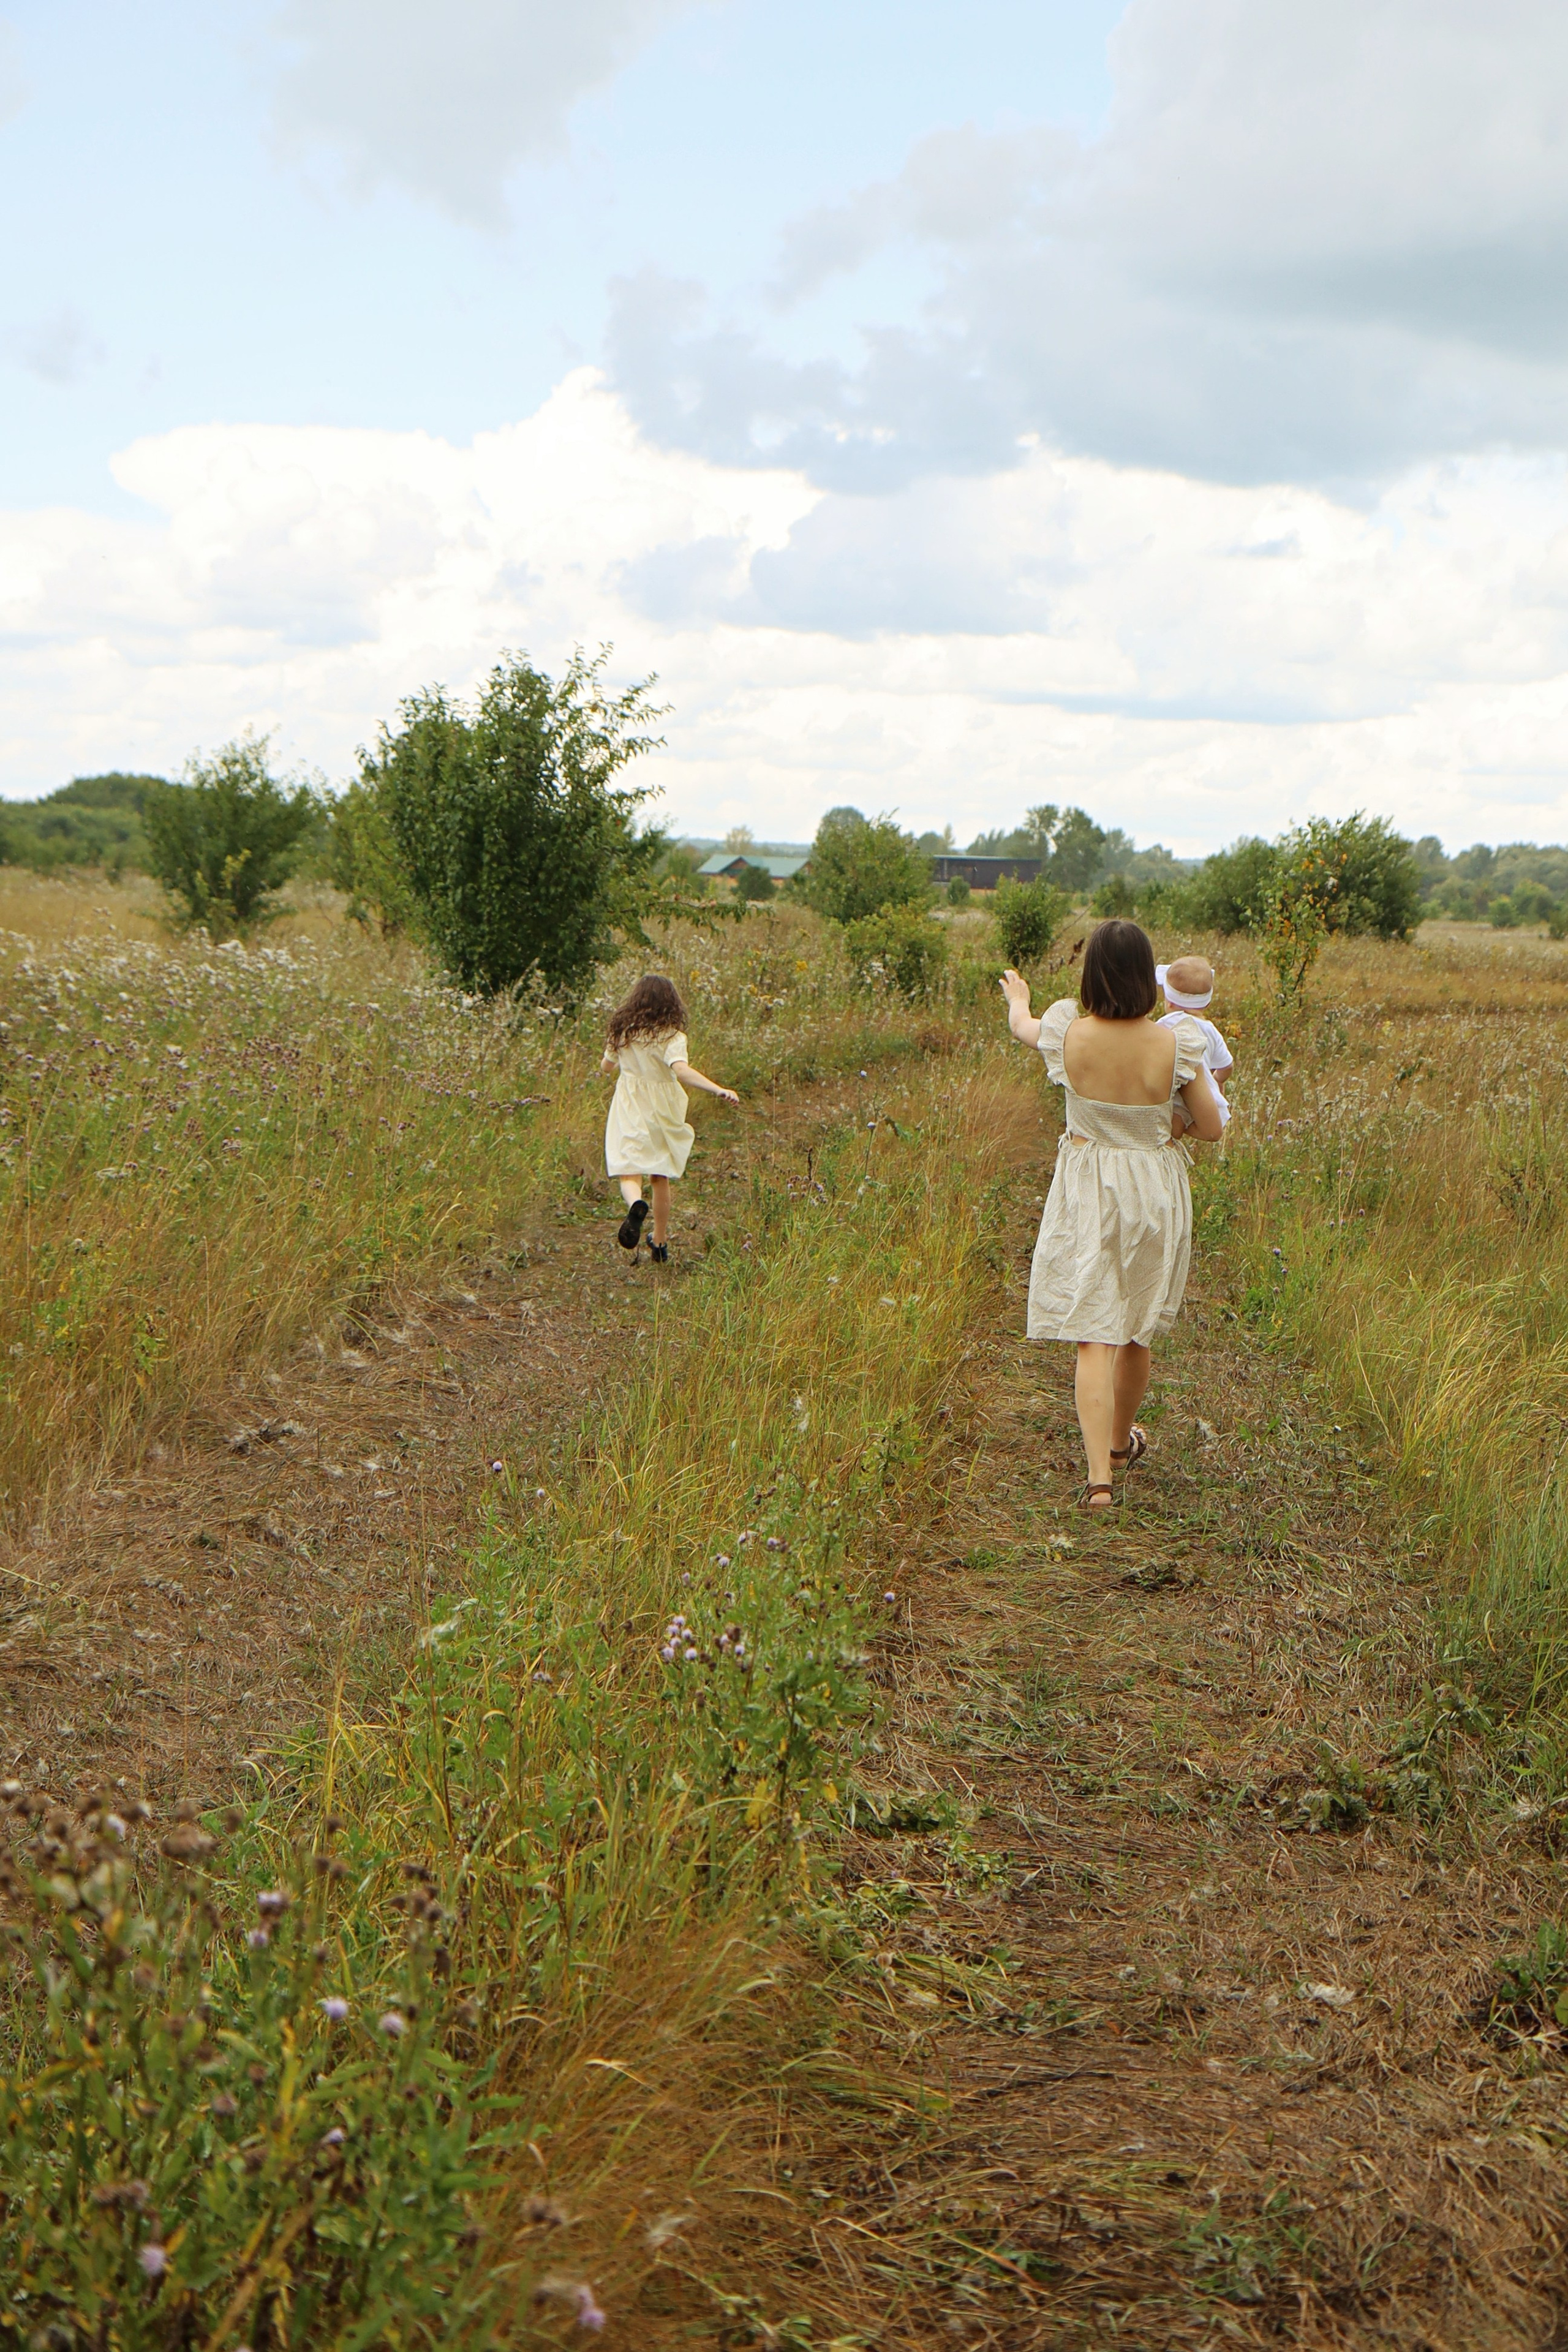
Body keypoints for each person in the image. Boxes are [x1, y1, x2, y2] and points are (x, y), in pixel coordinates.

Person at [1000, 920, 1224, 1508]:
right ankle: (1123, 1444)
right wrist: (1162, 1126)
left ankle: (1099, 1478)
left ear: (1092, 973)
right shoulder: (1177, 1044)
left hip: (1089, 1185)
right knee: (1134, 1327)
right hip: (1153, 1186)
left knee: (1091, 1335)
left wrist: (1017, 999)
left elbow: (1023, 1027)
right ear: (1145, 977)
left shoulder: (1066, 1030)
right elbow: (1212, 1126)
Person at [601, 974, 739, 1262]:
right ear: (671, 1003)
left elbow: (606, 1067)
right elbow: (682, 1071)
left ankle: (636, 1203)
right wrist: (718, 1089)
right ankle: (660, 1243)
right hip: (662, 1107)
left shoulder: (622, 1031)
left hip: (630, 1103)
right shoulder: (673, 1036)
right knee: (659, 1175)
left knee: (629, 1167)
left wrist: (618, 1060)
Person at [1157, 954, 1232, 1131]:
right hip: (1204, 1097)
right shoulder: (1211, 1031)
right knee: (1189, 1126)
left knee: (1171, 1130)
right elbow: (1227, 1065)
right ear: (1207, 1004)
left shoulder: (1165, 1025)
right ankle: (1187, 1130)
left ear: (1169, 1003)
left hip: (1174, 1092)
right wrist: (1218, 1080)